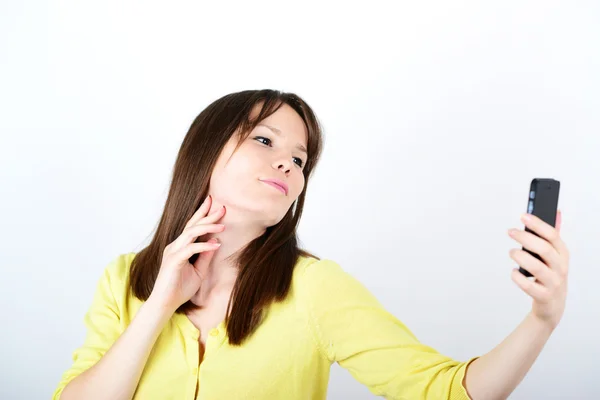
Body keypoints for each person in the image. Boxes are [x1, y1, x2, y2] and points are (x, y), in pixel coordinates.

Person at [52, 89, 570, 400]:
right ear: (204, 153)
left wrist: (541, 320)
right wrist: (159, 305)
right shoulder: (124, 279)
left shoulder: (315, 288)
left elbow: (448, 391)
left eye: (300, 159)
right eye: (264, 140)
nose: (287, 163)